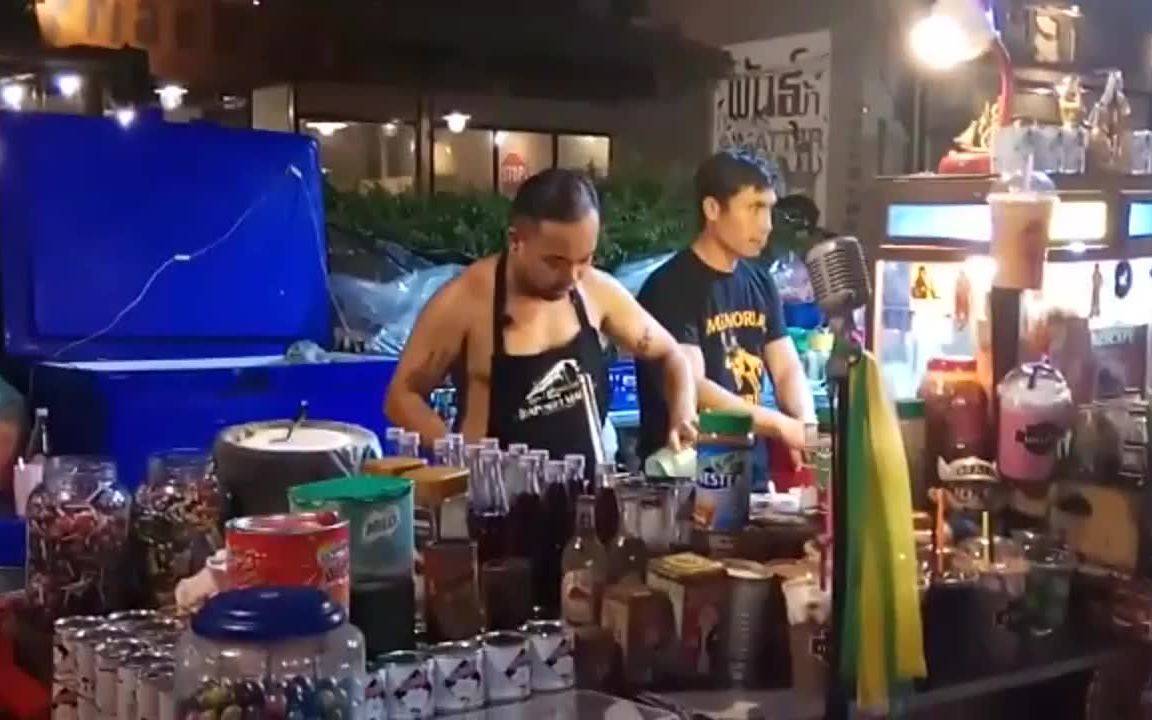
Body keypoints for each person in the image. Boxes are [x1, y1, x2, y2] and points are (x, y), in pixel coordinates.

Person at [386, 168, 697, 467]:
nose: (572, 276)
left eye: (585, 259)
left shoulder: (596, 291)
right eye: (555, 262)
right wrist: (458, 454)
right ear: (516, 241)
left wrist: (683, 413)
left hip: (588, 495)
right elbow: (401, 397)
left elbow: (672, 355)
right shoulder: (466, 301)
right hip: (494, 497)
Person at [636, 151, 814, 468]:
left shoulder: (761, 281)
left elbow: (786, 367)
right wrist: (779, 425)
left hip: (749, 472)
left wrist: (805, 422)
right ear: (712, 209)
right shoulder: (669, 287)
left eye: (769, 209)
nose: (766, 225)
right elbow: (695, 387)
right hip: (688, 472)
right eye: (754, 208)